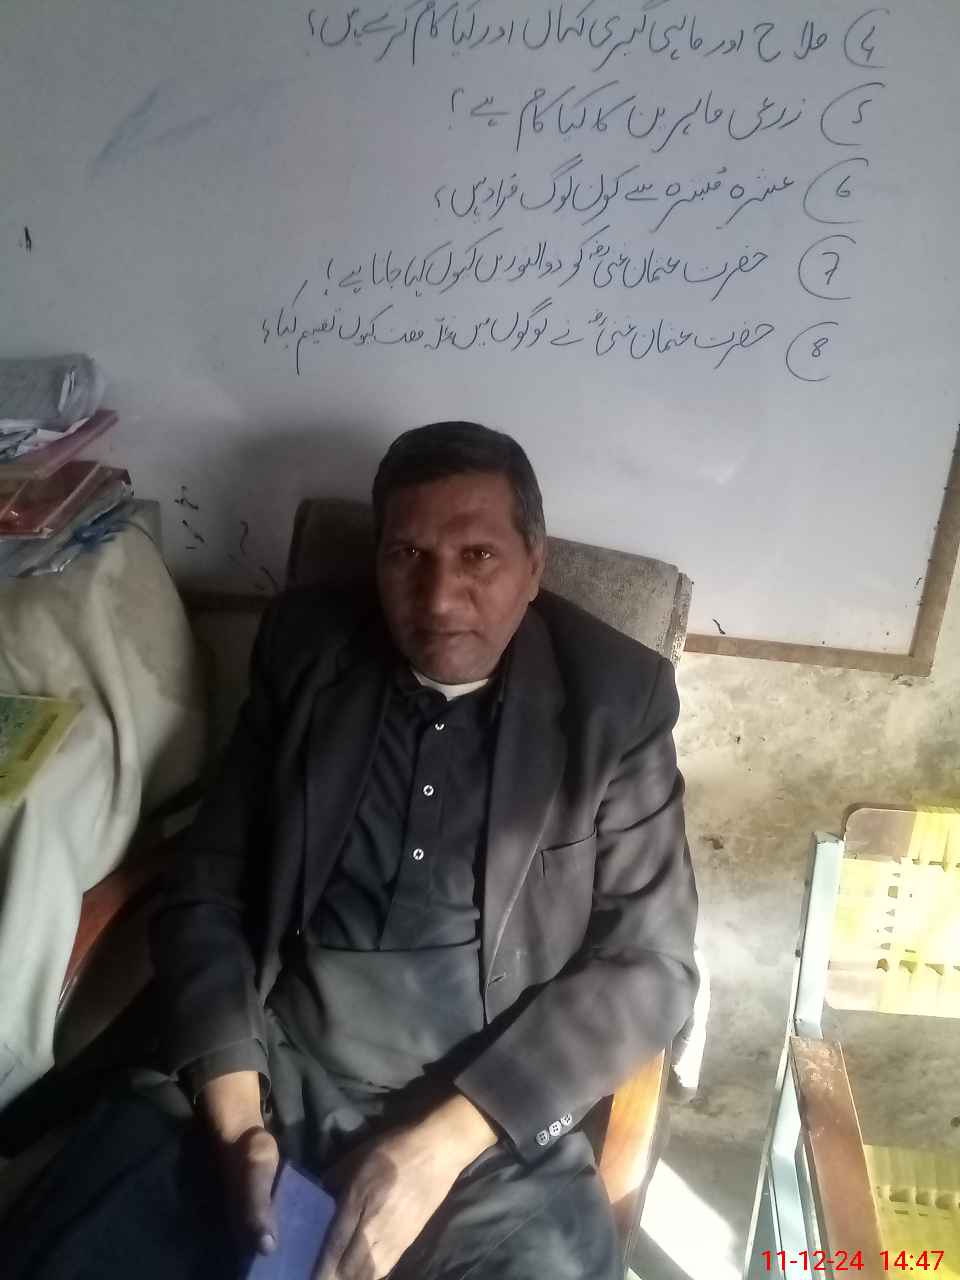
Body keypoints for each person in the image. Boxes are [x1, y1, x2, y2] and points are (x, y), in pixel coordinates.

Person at [4, 421, 698, 1280]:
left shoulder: (616, 699)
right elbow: (208, 889)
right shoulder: (308, 650)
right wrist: (236, 1121)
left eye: (478, 556)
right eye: (407, 556)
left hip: (486, 1121)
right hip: (272, 1067)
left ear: (534, 564)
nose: (439, 599)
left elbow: (651, 964)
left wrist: (440, 1147)